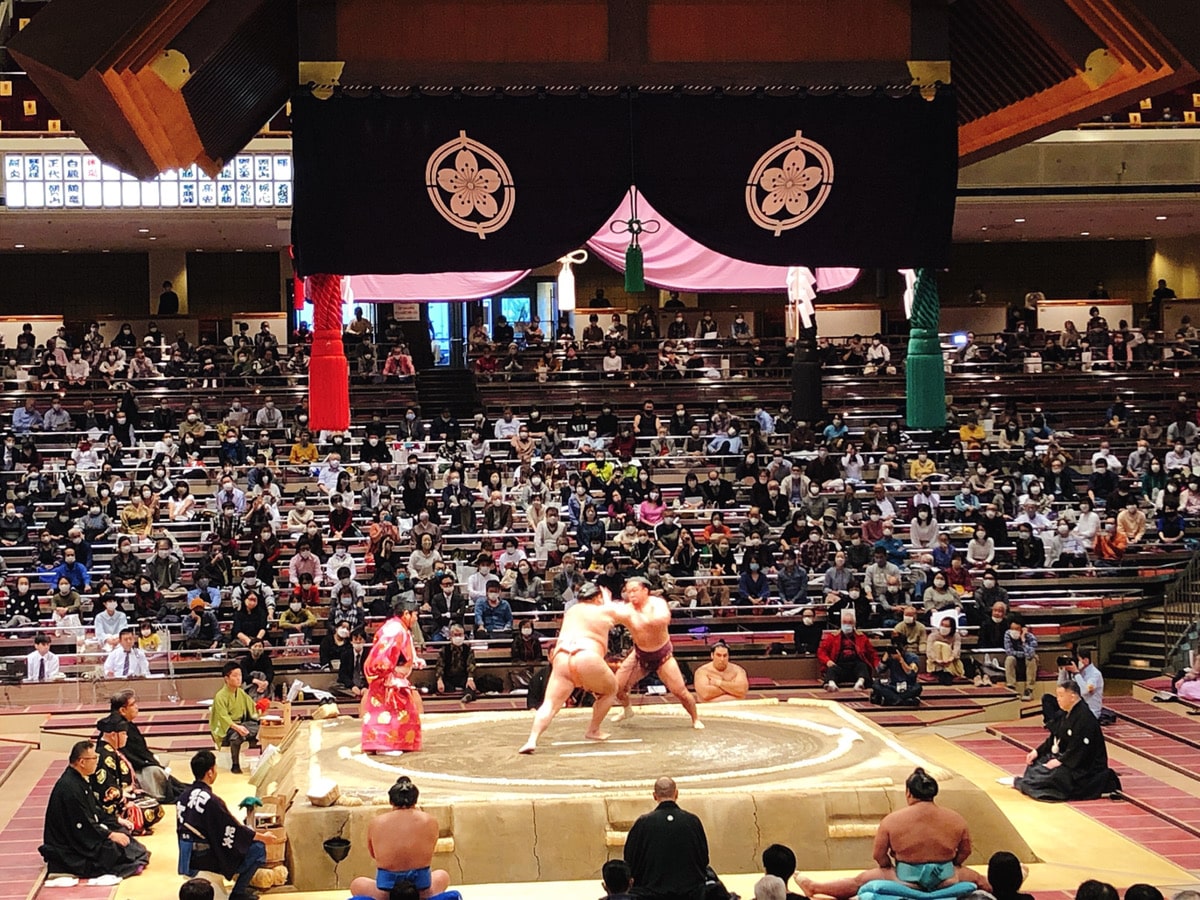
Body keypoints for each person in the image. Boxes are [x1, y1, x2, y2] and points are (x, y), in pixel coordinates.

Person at [796, 768, 987, 899]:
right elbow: (965, 851)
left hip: (904, 879)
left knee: (859, 880)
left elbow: (879, 855)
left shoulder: (892, 820)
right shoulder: (956, 819)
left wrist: (887, 868)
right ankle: (1011, 890)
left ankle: (815, 888)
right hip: (947, 878)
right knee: (979, 879)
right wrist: (953, 865)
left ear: (908, 793)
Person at [520, 582, 622, 753]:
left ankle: (532, 740)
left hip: (562, 658)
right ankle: (593, 730)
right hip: (586, 656)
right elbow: (620, 614)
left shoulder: (571, 611)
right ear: (597, 597)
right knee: (611, 690)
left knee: (550, 704)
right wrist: (608, 600)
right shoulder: (602, 610)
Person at [40, 740, 150, 879]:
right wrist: (109, 835)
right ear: (82, 762)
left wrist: (116, 820)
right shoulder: (69, 788)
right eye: (94, 758)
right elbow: (83, 825)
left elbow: (94, 809)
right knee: (113, 849)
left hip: (84, 833)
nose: (97, 761)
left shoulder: (79, 780)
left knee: (123, 835)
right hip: (70, 845)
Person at [611, 576, 703, 729]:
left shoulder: (657, 604)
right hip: (640, 654)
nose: (631, 595)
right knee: (616, 686)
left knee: (680, 692)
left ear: (645, 590)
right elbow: (609, 616)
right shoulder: (627, 609)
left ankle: (695, 718)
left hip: (663, 656)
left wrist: (642, 618)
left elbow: (664, 619)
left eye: (634, 590)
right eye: (628, 592)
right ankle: (627, 710)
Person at [177, 750, 266, 900]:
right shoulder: (211, 801)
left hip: (187, 857)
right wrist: (260, 836)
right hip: (204, 857)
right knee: (258, 849)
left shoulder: (183, 796)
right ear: (210, 772)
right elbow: (231, 829)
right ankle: (238, 894)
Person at [1014, 680, 1121, 801]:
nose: (1058, 699)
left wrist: (1061, 761)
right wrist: (1037, 751)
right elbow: (1054, 737)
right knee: (1037, 763)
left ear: (1072, 696)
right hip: (1068, 758)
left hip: (1085, 767)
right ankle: (1032, 782)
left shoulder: (1085, 717)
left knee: (1055, 775)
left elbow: (1081, 749)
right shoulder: (1064, 714)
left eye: (1061, 696)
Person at [348, 777, 452, 900]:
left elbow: (373, 854)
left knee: (357, 884)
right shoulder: (430, 821)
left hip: (386, 890)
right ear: (415, 800)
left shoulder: (377, 822)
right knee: (442, 876)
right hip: (421, 888)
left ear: (391, 801)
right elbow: (431, 850)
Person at [624, 776, 709, 900]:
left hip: (651, 894)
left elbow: (630, 860)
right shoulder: (692, 821)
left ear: (654, 796)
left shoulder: (642, 823)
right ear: (676, 793)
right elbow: (703, 859)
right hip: (690, 893)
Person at [362, 600, 426, 755]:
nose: (416, 618)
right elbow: (382, 655)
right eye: (415, 615)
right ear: (406, 614)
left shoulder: (399, 628)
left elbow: (401, 653)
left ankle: (383, 744)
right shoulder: (394, 629)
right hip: (388, 678)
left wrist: (414, 660)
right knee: (389, 712)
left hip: (393, 676)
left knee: (400, 712)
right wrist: (388, 674)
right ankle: (385, 745)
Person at [111, 689, 187, 803]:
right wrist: (150, 762)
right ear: (122, 710)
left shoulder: (127, 725)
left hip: (138, 765)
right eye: (132, 704)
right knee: (155, 771)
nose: (136, 707)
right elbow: (128, 756)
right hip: (129, 772)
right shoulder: (118, 729)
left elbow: (139, 751)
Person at [208, 660, 260, 774]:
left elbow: (252, 707)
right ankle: (235, 765)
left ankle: (262, 760)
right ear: (226, 678)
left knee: (261, 729)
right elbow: (223, 717)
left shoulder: (240, 692)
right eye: (235, 676)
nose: (239, 678)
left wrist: (261, 708)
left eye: (240, 675)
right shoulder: (220, 696)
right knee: (236, 736)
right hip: (226, 728)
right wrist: (237, 727)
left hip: (242, 724)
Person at [817, 609, 879, 691]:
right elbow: (821, 651)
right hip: (839, 665)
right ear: (841, 624)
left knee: (863, 666)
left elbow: (872, 653)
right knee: (832, 669)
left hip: (856, 666)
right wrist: (827, 661)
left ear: (854, 624)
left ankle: (860, 683)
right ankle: (831, 684)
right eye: (845, 623)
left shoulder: (862, 637)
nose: (847, 625)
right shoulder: (832, 637)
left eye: (850, 623)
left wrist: (878, 666)